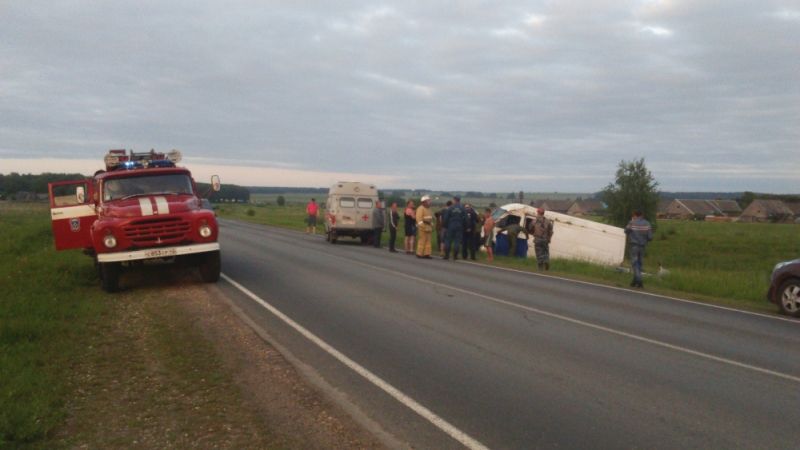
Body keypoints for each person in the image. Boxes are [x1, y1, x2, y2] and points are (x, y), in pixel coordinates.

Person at [625, 210, 653, 288]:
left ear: (635, 215)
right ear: (642, 215)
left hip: (633, 245)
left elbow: (626, 231)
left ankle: (639, 280)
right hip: (643, 246)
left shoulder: (632, 223)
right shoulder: (647, 223)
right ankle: (634, 282)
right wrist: (644, 239)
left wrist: (631, 222)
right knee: (639, 263)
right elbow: (650, 237)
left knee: (634, 263)